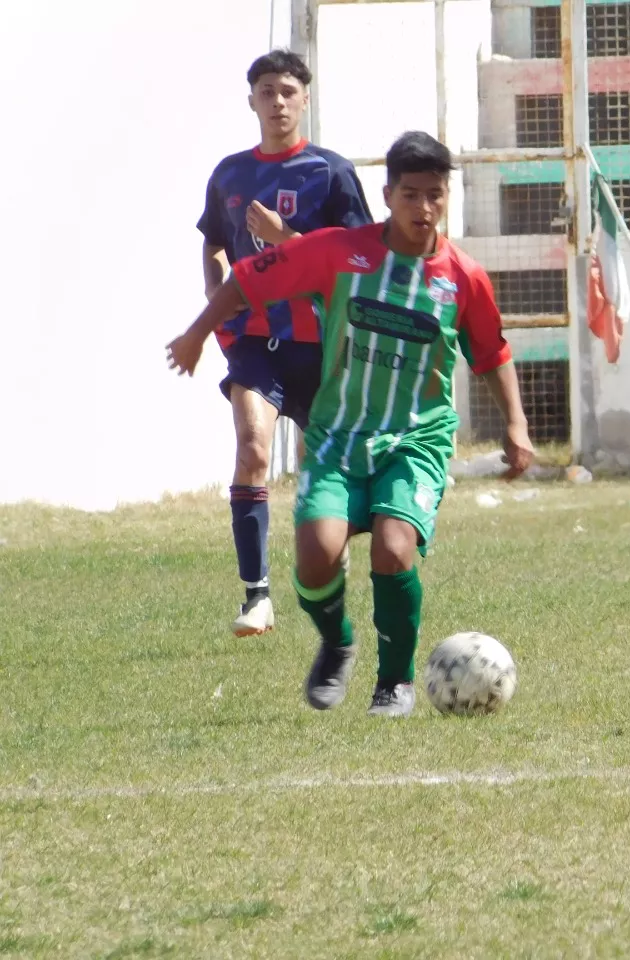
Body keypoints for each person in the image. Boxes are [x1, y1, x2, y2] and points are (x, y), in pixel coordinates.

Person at [168, 131, 535, 717]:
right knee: (316, 556)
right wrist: (195, 332)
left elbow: (491, 351)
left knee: (393, 548)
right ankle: (337, 641)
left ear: (447, 198)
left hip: (415, 437)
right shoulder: (339, 251)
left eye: (435, 195)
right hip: (339, 434)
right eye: (410, 194)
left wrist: (516, 425)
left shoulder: (463, 277)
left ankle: (395, 683)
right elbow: (248, 279)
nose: (423, 208)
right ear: (387, 194)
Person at [198, 49, 373, 638]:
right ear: (251, 100)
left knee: (329, 471)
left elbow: (359, 262)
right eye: (267, 91)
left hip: (322, 343)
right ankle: (257, 598)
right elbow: (214, 240)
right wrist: (216, 292)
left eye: (288, 91)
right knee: (252, 447)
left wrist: (286, 238)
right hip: (252, 338)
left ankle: (328, 555)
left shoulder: (332, 172)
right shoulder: (229, 173)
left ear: (305, 99)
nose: (277, 101)